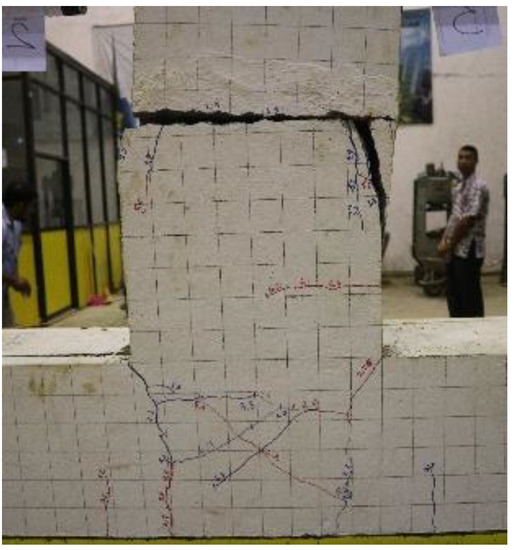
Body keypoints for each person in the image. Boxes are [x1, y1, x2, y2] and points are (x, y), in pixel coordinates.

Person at [438, 145, 489, 317]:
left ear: (476, 161)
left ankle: (475, 331)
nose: (463, 160)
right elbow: (454, 218)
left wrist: (448, 244)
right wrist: (444, 239)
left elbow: (467, 221)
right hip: (455, 249)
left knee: (469, 297)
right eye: (460, 157)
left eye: (468, 157)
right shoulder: (459, 187)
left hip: (469, 250)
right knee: (454, 296)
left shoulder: (478, 187)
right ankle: (457, 329)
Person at [3, 182, 35, 327]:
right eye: (30, 206)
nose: (31, 211)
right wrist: (14, 281)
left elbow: (10, 257)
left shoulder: (16, 225)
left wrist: (14, 280)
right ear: (21, 205)